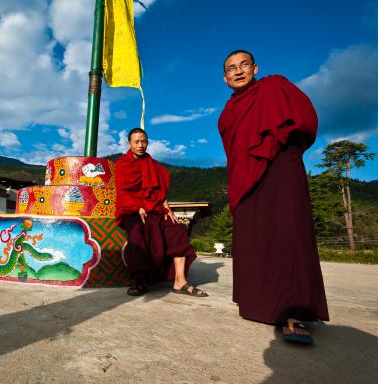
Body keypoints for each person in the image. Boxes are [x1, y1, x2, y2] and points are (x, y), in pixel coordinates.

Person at [218, 49, 329, 344]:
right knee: (255, 238)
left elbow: (305, 119)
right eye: (231, 68)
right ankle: (260, 303)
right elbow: (235, 151)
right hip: (246, 178)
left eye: (244, 65)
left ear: (255, 68)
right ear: (225, 78)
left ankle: (293, 312)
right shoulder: (228, 114)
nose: (238, 71)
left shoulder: (275, 87)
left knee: (288, 234)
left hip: (281, 167)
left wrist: (284, 145)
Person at [115, 128, 208, 298]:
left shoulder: (154, 165)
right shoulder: (123, 164)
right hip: (132, 209)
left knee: (177, 230)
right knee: (137, 234)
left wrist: (167, 207)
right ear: (129, 143)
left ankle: (180, 281)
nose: (140, 145)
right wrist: (137, 207)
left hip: (155, 208)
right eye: (136, 142)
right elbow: (122, 191)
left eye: (144, 141)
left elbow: (159, 192)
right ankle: (140, 281)